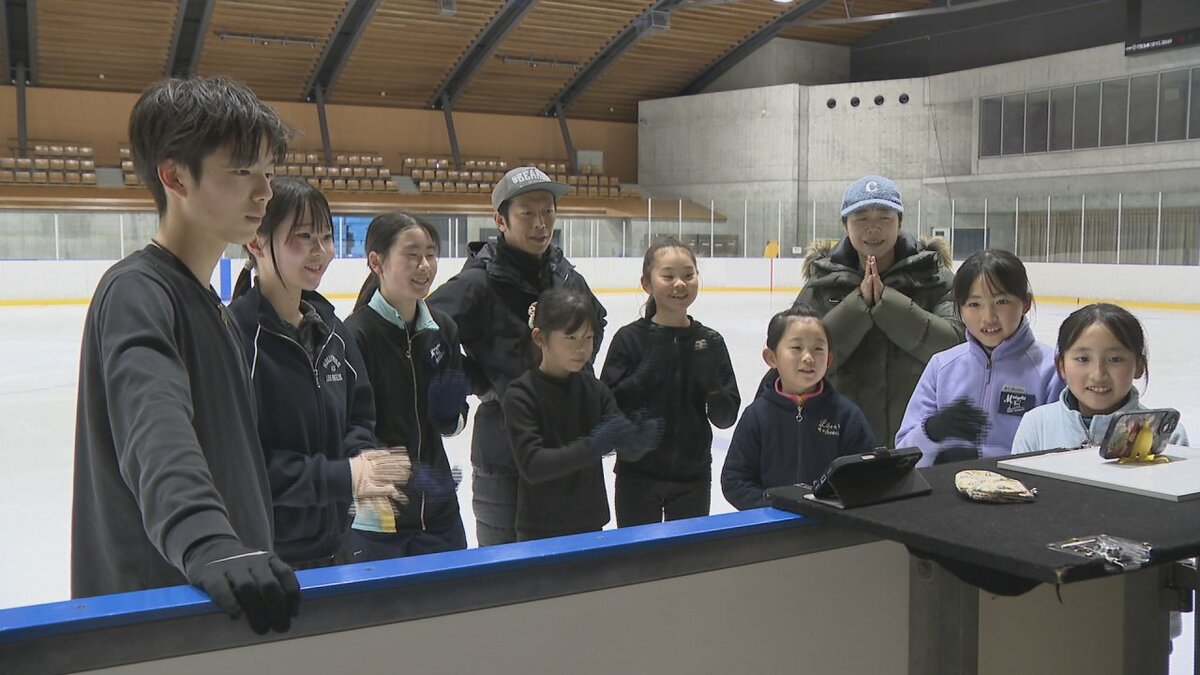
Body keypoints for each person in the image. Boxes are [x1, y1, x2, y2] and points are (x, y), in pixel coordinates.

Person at [72, 77, 300, 635]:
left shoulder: (212, 307)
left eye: (268, 172)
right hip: (158, 622)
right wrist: (208, 540)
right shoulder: (137, 292)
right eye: (242, 171)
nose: (265, 193)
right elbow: (155, 425)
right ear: (175, 177)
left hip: (223, 609)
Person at [227, 177, 409, 569]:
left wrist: (362, 462)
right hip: (266, 555)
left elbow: (359, 416)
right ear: (256, 242)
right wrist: (342, 476)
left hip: (336, 545)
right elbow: (242, 464)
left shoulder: (332, 331)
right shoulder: (235, 337)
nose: (320, 251)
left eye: (326, 237)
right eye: (304, 236)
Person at [427, 167, 607, 546]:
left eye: (548, 211)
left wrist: (579, 372)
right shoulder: (478, 282)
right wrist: (482, 381)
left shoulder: (565, 275)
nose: (541, 224)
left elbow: (597, 319)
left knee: (576, 564)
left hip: (569, 447)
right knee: (509, 568)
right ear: (501, 220)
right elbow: (426, 330)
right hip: (505, 455)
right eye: (527, 213)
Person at [790, 175, 964, 446]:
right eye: (861, 218)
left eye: (884, 217)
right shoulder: (822, 283)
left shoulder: (933, 277)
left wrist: (888, 304)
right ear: (845, 225)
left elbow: (955, 347)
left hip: (918, 438)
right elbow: (798, 358)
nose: (873, 229)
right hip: (838, 437)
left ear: (899, 222)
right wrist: (857, 306)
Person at [344, 212, 470, 559]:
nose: (424, 266)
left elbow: (454, 423)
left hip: (440, 514)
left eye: (430, 254)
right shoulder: (355, 335)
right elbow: (351, 429)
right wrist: (398, 476)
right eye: (412, 255)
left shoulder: (442, 330)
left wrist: (449, 416)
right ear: (376, 262)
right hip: (381, 518)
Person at [502, 289, 661, 541]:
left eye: (588, 337)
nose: (581, 348)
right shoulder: (521, 394)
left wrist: (636, 441)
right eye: (571, 337)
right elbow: (532, 464)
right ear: (540, 338)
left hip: (591, 523)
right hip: (540, 529)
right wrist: (592, 446)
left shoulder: (595, 389)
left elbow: (622, 442)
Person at [600, 238, 739, 526]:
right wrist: (642, 377)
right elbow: (607, 408)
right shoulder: (629, 340)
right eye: (668, 276)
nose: (680, 284)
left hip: (692, 477)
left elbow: (725, 418)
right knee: (639, 552)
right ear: (647, 284)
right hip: (637, 475)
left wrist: (712, 385)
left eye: (688, 275)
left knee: (687, 553)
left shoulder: (710, 342)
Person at [896, 249, 1063, 466]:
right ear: (960, 309)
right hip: (945, 486)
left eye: (1001, 302)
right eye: (974, 304)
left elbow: (1060, 454)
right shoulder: (941, 366)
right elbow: (904, 453)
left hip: (1021, 486)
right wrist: (931, 432)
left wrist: (981, 457)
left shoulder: (1052, 371)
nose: (988, 317)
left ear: (1025, 303)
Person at [722, 305, 876, 511]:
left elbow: (869, 476)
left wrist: (833, 507)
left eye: (818, 349)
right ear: (772, 358)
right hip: (772, 525)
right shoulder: (757, 416)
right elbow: (735, 481)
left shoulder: (847, 415)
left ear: (829, 359)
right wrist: (773, 507)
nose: (808, 358)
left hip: (830, 523)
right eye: (796, 348)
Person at [1012, 303, 1188, 454]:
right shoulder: (1037, 425)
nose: (1098, 374)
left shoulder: (1167, 435)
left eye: (1115, 359)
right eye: (1083, 359)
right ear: (1061, 366)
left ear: (1139, 366)